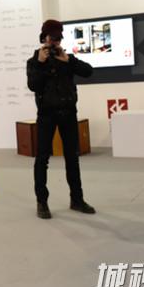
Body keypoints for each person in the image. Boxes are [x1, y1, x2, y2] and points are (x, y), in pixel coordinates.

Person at [26, 19, 95, 219]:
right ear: (44, 37)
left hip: (68, 113)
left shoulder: (67, 59)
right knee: (42, 159)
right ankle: (42, 202)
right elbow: (33, 85)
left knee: (72, 158)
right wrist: (40, 63)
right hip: (46, 115)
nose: (55, 42)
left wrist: (69, 61)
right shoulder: (34, 61)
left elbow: (89, 71)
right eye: (52, 38)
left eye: (58, 38)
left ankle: (77, 199)